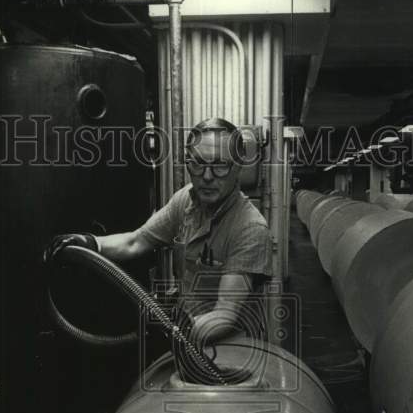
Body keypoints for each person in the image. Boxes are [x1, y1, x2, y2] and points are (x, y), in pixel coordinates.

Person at [46, 117, 273, 348]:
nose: (206, 176)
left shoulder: (250, 228)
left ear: (238, 167)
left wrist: (171, 330)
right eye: (197, 163)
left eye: (220, 165)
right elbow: (137, 241)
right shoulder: (185, 200)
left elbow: (225, 314)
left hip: (233, 352)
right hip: (187, 341)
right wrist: (91, 243)